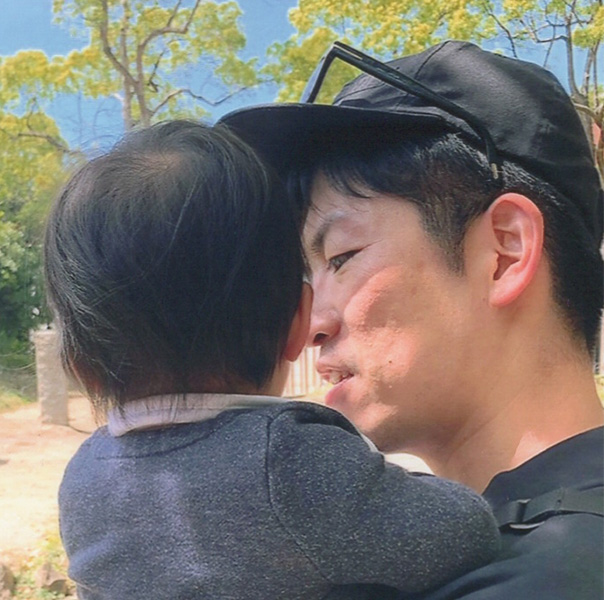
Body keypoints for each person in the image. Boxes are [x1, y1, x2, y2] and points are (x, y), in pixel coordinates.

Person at [45, 119, 500, 600]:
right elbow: (462, 533)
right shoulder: (289, 458)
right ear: (298, 323)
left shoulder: (83, 479)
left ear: (79, 366)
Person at [220, 40, 604, 598]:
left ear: (504, 252)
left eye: (341, 258)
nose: (307, 328)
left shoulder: (554, 572)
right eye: (305, 278)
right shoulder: (452, 543)